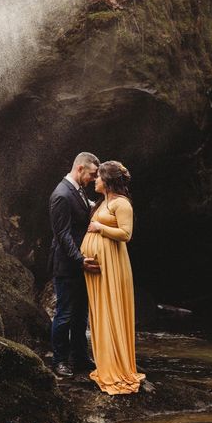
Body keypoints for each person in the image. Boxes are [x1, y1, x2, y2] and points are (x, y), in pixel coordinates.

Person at [81, 160, 145, 394]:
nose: (94, 180)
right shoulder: (102, 202)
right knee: (100, 311)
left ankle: (117, 366)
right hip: (99, 266)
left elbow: (126, 234)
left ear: (107, 181)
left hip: (114, 265)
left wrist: (100, 228)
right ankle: (105, 362)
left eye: (98, 177)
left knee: (111, 310)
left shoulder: (121, 204)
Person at [49, 152, 101, 378]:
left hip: (80, 266)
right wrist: (80, 261)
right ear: (80, 169)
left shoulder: (78, 191)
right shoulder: (61, 194)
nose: (92, 179)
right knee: (65, 314)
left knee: (81, 315)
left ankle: (80, 357)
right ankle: (60, 360)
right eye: (91, 174)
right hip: (67, 265)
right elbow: (63, 235)